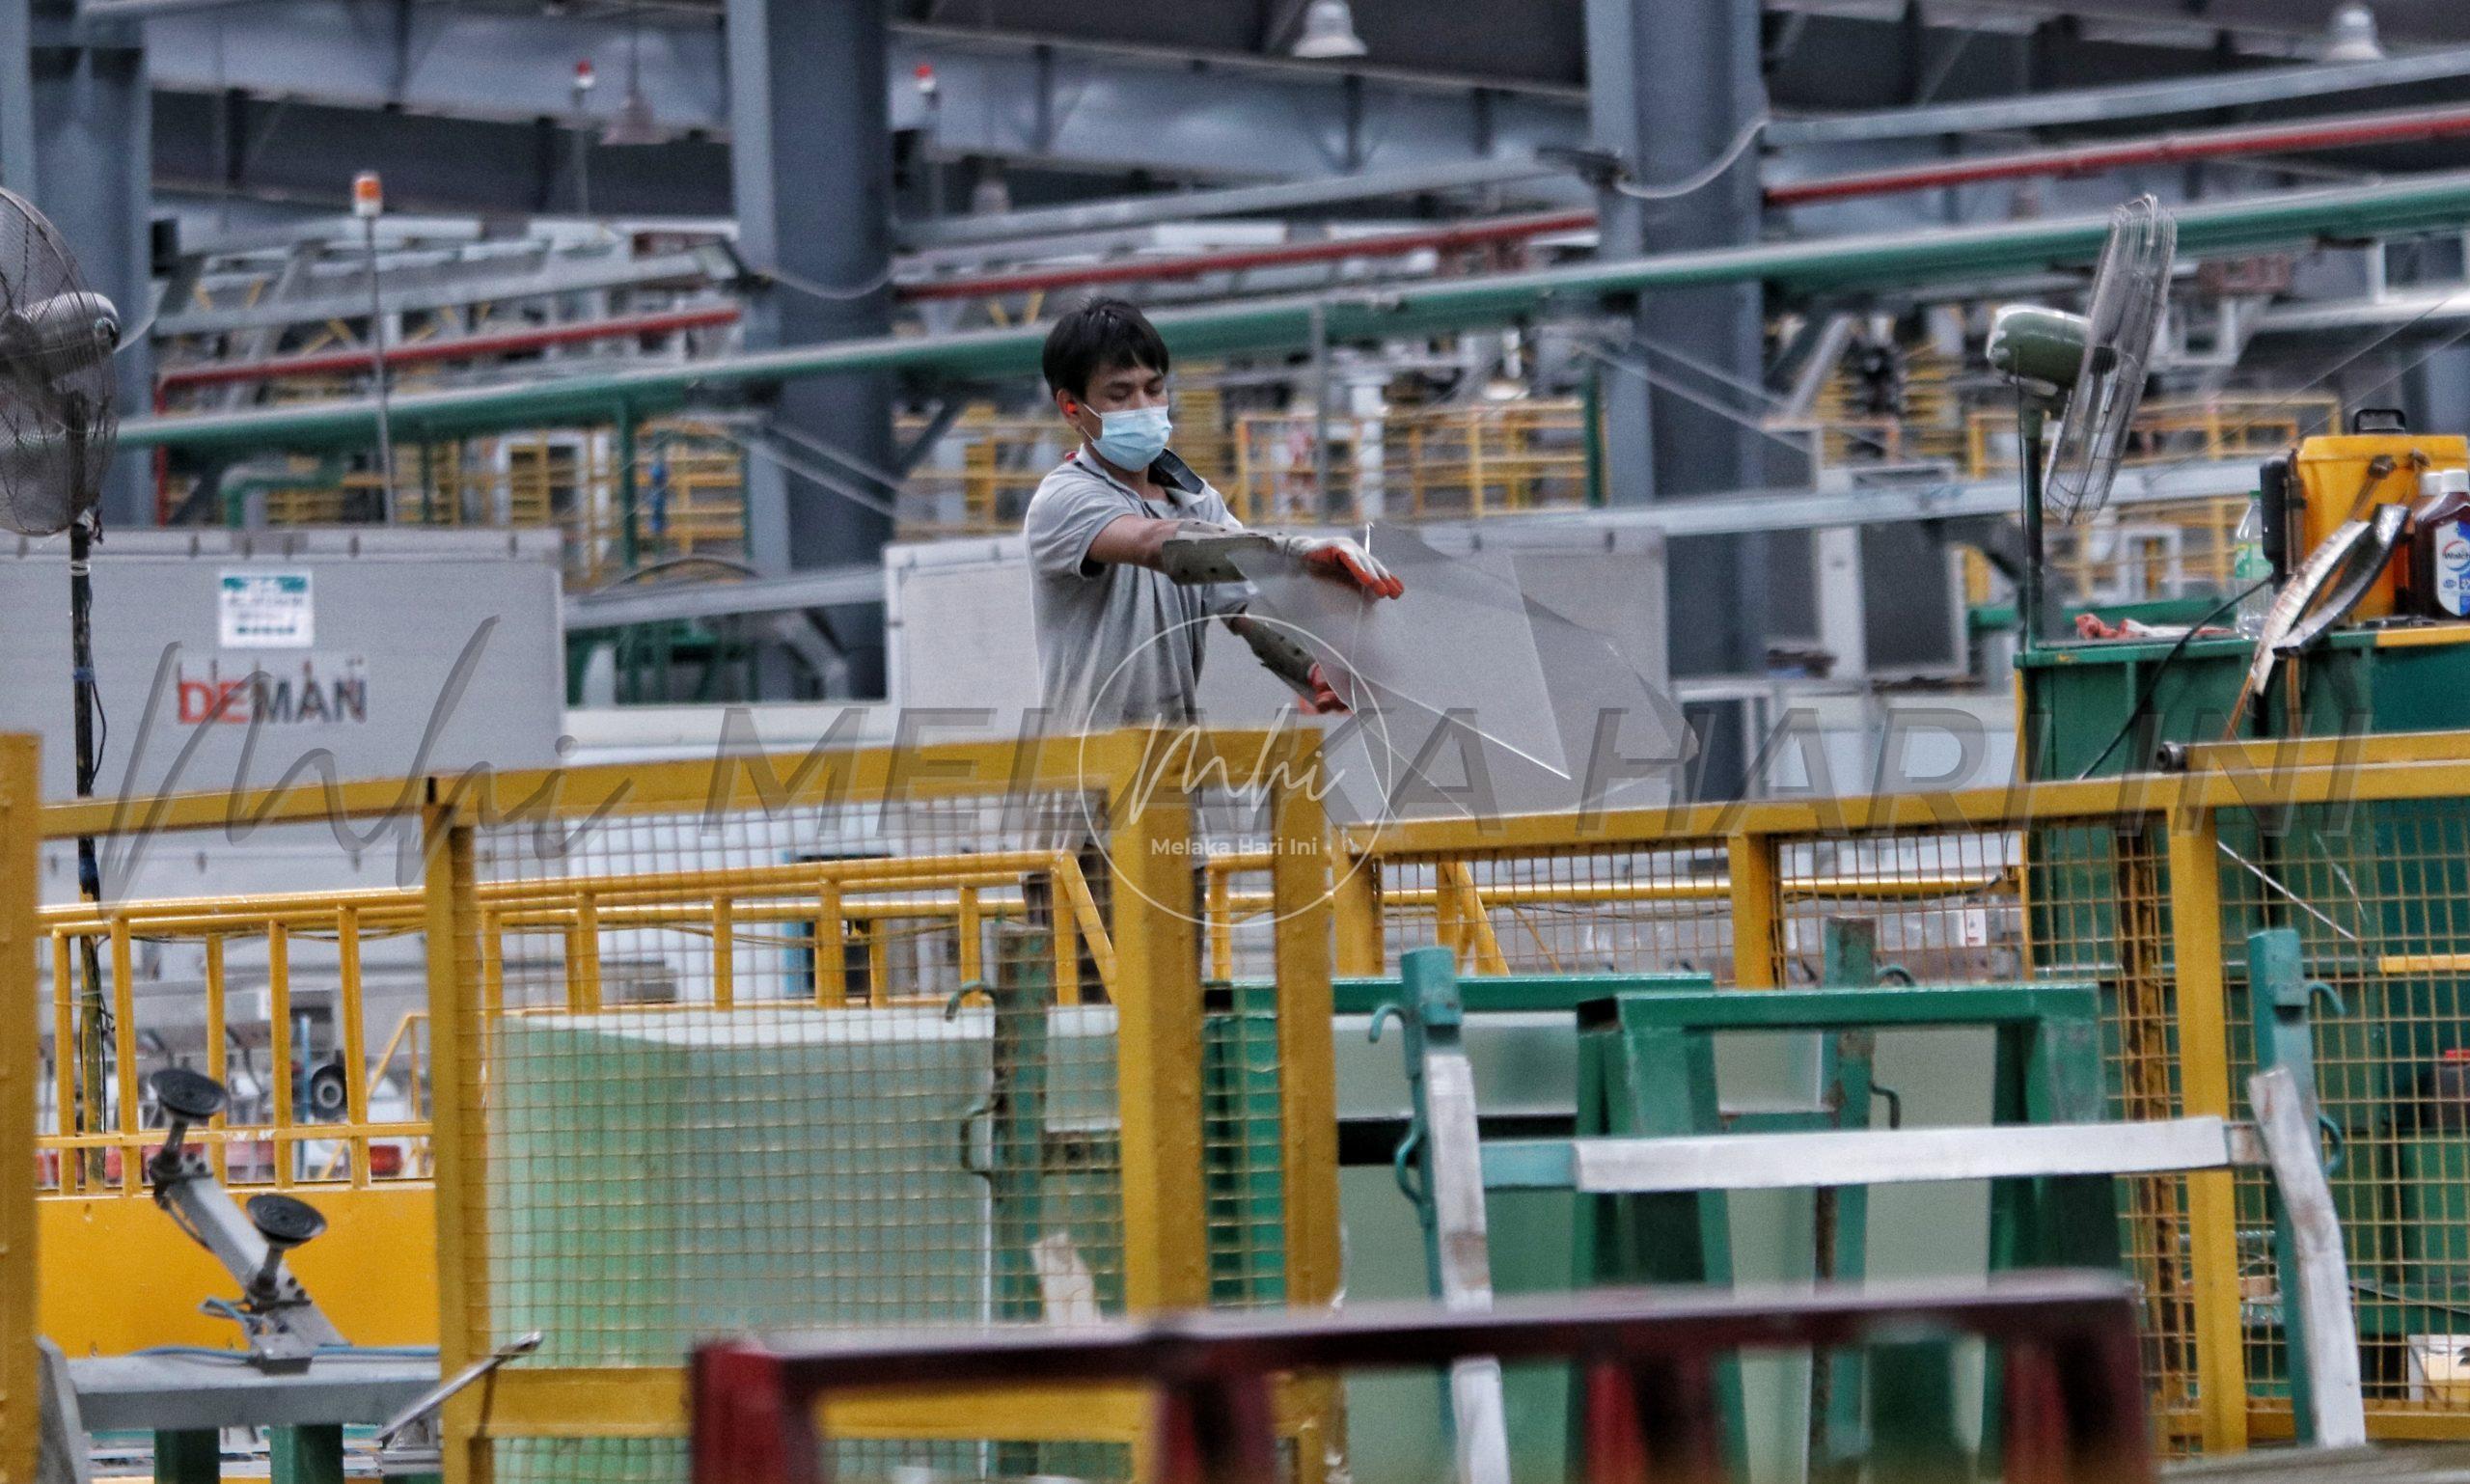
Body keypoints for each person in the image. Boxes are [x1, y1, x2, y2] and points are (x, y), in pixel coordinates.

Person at [1023, 296, 1404, 734]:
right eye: (1119, 394)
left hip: (1170, 764)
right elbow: (1154, 544)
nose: (1145, 405)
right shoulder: (1064, 499)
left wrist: (1313, 670)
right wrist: (1292, 550)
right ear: (1072, 407)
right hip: (1084, 772)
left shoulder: (1194, 499)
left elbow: (1244, 603)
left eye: (1153, 388)